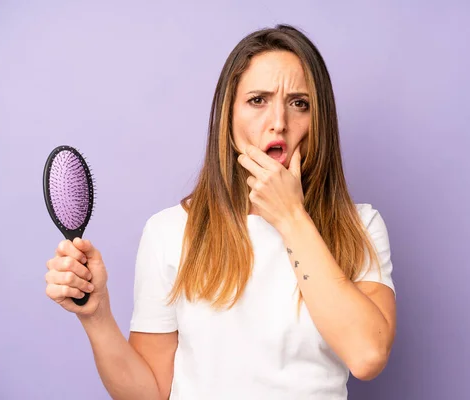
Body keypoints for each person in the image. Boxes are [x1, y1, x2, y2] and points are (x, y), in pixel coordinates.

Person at [44, 24, 397, 400]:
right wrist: (96, 316)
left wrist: (291, 217)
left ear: (319, 120)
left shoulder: (360, 226)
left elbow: (367, 355)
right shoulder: (170, 232)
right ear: (228, 118)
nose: (279, 121)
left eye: (299, 103)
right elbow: (151, 393)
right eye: (257, 100)